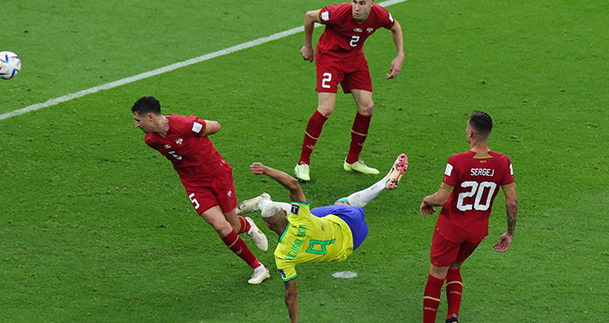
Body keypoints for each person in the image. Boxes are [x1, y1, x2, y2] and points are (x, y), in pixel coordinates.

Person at [243, 153, 409, 323]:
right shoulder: (299, 217)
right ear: (285, 217)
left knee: (319, 212)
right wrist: (265, 169)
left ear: (268, 226)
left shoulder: (282, 256)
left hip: (353, 243)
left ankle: (264, 203)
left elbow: (290, 295)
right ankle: (383, 184)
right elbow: (293, 185)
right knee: (340, 203)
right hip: (347, 219)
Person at [131, 96, 270, 284]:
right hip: (194, 184)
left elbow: (216, 126)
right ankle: (259, 268)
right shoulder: (151, 140)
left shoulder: (184, 124)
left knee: (234, 227)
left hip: (218, 175)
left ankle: (246, 225)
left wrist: (198, 131)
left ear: (150, 117)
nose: (137, 125)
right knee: (221, 227)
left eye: (138, 120)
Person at [294, 0, 405, 182]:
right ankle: (303, 162)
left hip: (355, 60)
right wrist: (308, 46)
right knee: (326, 108)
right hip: (329, 58)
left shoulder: (379, 15)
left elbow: (395, 26)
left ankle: (352, 160)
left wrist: (399, 55)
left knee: (367, 106)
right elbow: (310, 16)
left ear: (372, 3)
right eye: (354, 1)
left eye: (362, 3)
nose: (356, 7)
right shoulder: (337, 13)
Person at [419, 111, 518, 323]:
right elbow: (512, 202)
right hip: (476, 232)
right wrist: (510, 233)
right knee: (454, 266)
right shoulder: (503, 161)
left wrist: (426, 199)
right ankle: (452, 317)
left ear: (470, 132)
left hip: (451, 229)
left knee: (436, 276)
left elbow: (441, 198)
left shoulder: (457, 161)